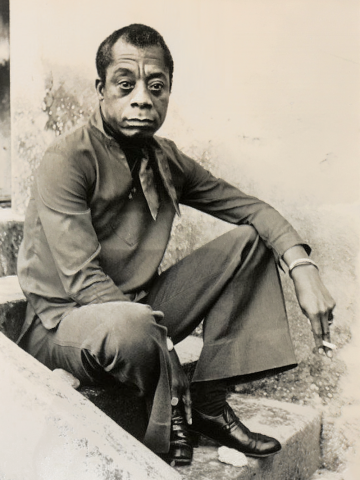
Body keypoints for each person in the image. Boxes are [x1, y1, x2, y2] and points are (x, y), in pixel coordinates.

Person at [17, 24, 335, 466]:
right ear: (101, 90)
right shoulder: (67, 159)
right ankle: (163, 425)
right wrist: (165, 349)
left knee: (251, 241)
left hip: (141, 308)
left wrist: (303, 267)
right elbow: (83, 281)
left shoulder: (165, 158)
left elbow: (252, 210)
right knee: (136, 327)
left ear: (168, 92)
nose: (142, 98)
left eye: (156, 86)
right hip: (65, 324)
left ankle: (208, 403)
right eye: (125, 85)